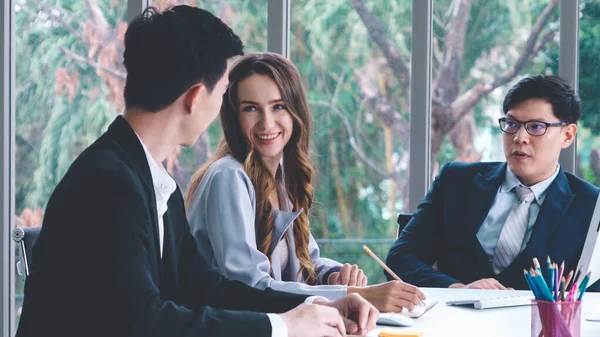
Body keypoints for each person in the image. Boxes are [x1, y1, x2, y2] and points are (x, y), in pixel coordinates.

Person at [16, 6, 379, 337]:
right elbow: (144, 321)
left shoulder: (157, 185)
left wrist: (316, 306)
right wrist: (284, 327)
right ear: (193, 97)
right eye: (223, 93)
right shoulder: (108, 183)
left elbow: (207, 288)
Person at [186, 52, 425, 313]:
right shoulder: (229, 177)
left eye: (278, 106)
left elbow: (307, 263)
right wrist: (354, 295)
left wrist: (333, 275)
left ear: (295, 110)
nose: (267, 122)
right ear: (234, 117)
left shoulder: (282, 176)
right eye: (251, 108)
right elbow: (250, 286)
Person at [386, 75, 600, 291]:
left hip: (537, 323)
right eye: (512, 124)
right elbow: (400, 257)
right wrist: (458, 289)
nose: (519, 137)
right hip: (454, 320)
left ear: (567, 135)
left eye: (536, 127)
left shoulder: (591, 206)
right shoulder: (456, 182)